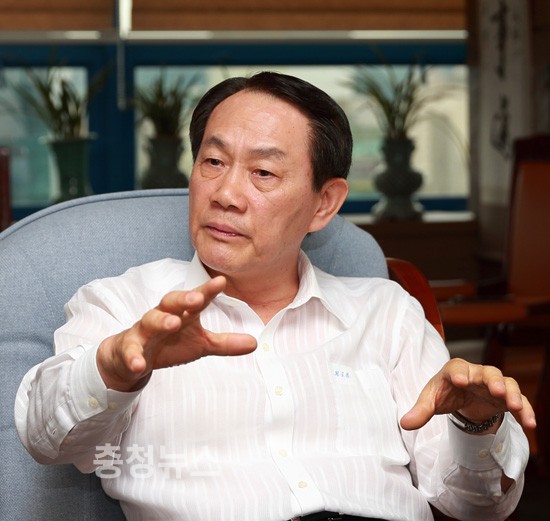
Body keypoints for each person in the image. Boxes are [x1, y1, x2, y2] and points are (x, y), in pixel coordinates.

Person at [15, 71, 535, 521]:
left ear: (323, 203)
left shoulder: (387, 313)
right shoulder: (123, 305)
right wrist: (114, 368)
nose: (225, 194)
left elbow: (476, 506)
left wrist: (478, 424)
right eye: (212, 162)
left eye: (262, 172)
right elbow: (46, 438)